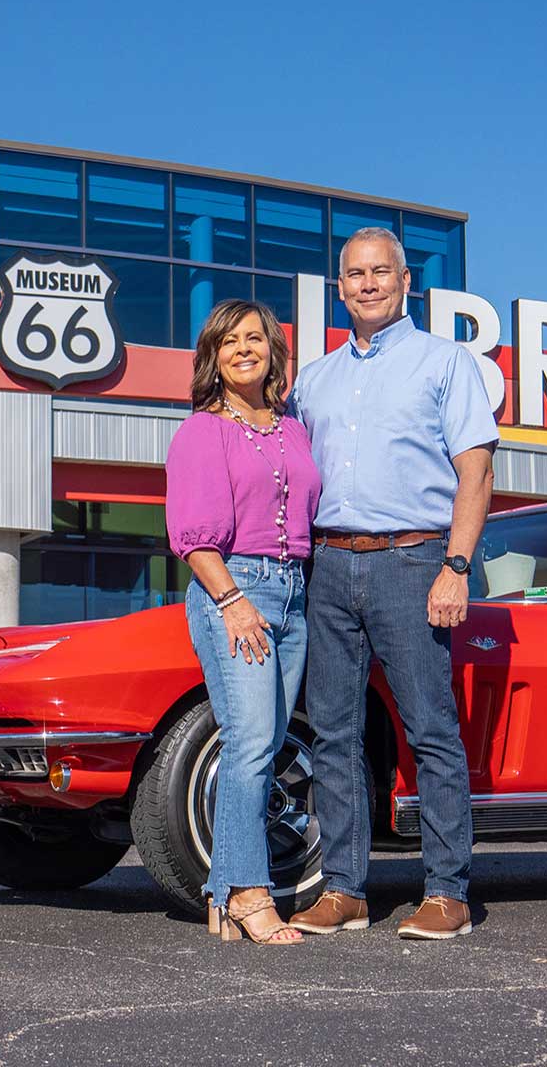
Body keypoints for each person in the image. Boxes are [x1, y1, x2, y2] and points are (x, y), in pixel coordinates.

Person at [287, 226, 497, 941]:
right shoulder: (312, 380)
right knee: (336, 736)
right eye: (355, 273)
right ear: (339, 287)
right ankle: (345, 889)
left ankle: (447, 892)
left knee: (430, 730)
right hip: (328, 565)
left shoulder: (446, 363)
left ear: (406, 282)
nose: (368, 283)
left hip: (414, 563)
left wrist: (456, 566)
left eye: (381, 271)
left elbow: (477, 473)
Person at [164, 298, 324, 946]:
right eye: (229, 341)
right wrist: (232, 601)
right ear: (213, 356)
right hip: (237, 588)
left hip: (294, 592)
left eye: (254, 338)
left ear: (273, 350)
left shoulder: (293, 428)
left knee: (265, 744)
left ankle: (227, 898)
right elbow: (193, 538)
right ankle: (247, 895)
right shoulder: (203, 430)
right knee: (251, 743)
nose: (243, 349)